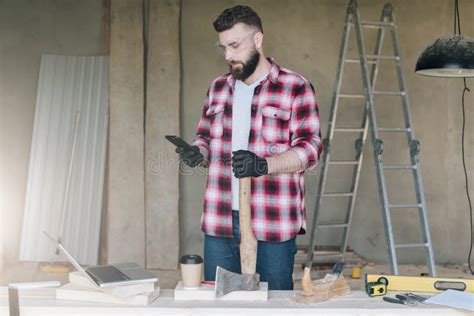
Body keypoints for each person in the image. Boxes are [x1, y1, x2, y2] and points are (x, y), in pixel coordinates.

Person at [177, 5, 321, 290]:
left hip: (272, 221)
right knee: (222, 304)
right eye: (223, 48)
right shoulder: (218, 88)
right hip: (220, 220)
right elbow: (204, 137)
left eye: (234, 45)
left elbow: (311, 148)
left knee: (275, 303)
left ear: (258, 40)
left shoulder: (295, 86)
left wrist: (265, 165)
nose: (229, 55)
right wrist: (198, 152)